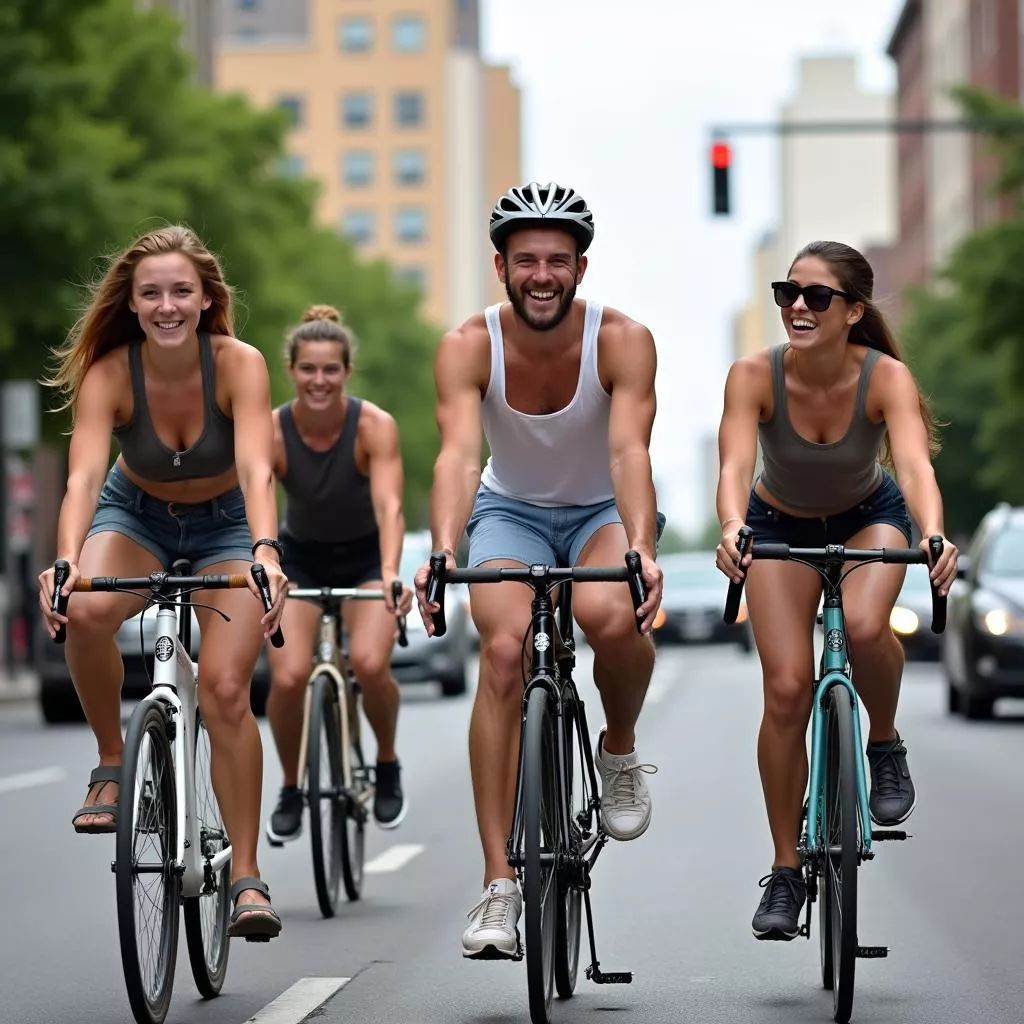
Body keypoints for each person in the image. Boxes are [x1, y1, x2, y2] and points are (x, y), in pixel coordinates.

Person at [413, 182, 666, 960]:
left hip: (599, 513)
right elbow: (460, 455)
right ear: (501, 267)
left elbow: (627, 450)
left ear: (581, 268)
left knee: (609, 616)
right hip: (509, 513)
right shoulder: (468, 345)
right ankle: (499, 885)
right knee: (501, 650)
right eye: (527, 260)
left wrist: (641, 544)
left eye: (559, 260)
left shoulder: (623, 340)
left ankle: (618, 748)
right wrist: (442, 549)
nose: (543, 275)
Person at [38, 224, 288, 940]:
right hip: (136, 514)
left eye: (182, 291)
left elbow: (256, 469)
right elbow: (84, 477)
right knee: (85, 612)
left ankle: (246, 878)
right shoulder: (110, 374)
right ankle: (111, 763)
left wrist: (266, 552)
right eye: (151, 293)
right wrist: (66, 559)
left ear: (207, 298)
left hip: (228, 525)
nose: (167, 305)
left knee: (228, 691)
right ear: (133, 302)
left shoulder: (239, 364)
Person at [713, 240, 959, 943]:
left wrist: (933, 533)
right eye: (787, 292)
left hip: (867, 517)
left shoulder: (884, 377)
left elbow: (912, 465)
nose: (797, 306)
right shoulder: (753, 375)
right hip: (776, 524)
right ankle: (786, 870)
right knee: (787, 688)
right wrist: (731, 526)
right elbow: (734, 465)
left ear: (852, 311)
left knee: (866, 626)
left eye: (816, 296)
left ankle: (883, 742)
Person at [263, 305, 413, 841]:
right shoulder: (272, 430)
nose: (319, 380)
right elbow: (257, 500)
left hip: (367, 560)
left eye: (331, 369)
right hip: (300, 559)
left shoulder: (373, 426)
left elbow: (390, 506)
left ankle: (387, 762)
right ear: (291, 370)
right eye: (308, 368)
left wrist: (391, 572)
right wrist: (266, 563)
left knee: (370, 664)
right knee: (286, 678)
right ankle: (290, 786)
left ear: (347, 371)